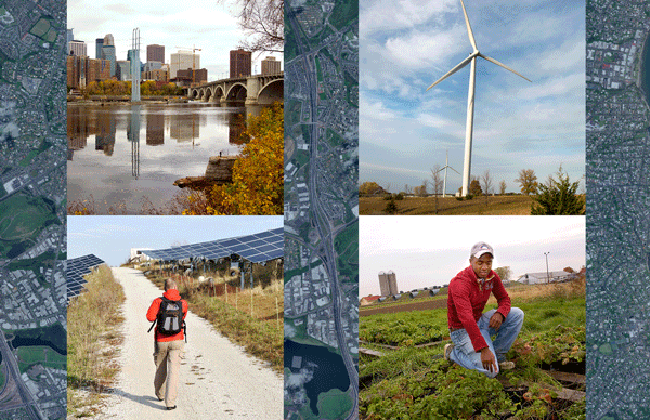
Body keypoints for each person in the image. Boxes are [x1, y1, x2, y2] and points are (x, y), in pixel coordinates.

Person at [444, 242, 524, 378]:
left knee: (517, 314)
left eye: (488, 262)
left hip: (479, 321)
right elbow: (466, 318)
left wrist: (501, 313)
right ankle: (453, 353)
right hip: (462, 330)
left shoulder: (491, 277)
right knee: (491, 372)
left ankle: (497, 356)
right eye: (480, 262)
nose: (485, 267)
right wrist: (483, 348)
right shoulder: (460, 282)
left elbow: (504, 299)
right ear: (471, 261)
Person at [146, 278, 188, 410]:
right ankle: (170, 403)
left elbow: (150, 317)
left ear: (165, 288)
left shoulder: (158, 301)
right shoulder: (183, 303)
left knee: (160, 368)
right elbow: (183, 317)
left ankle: (160, 394)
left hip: (161, 340)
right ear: (175, 287)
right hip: (177, 339)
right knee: (174, 371)